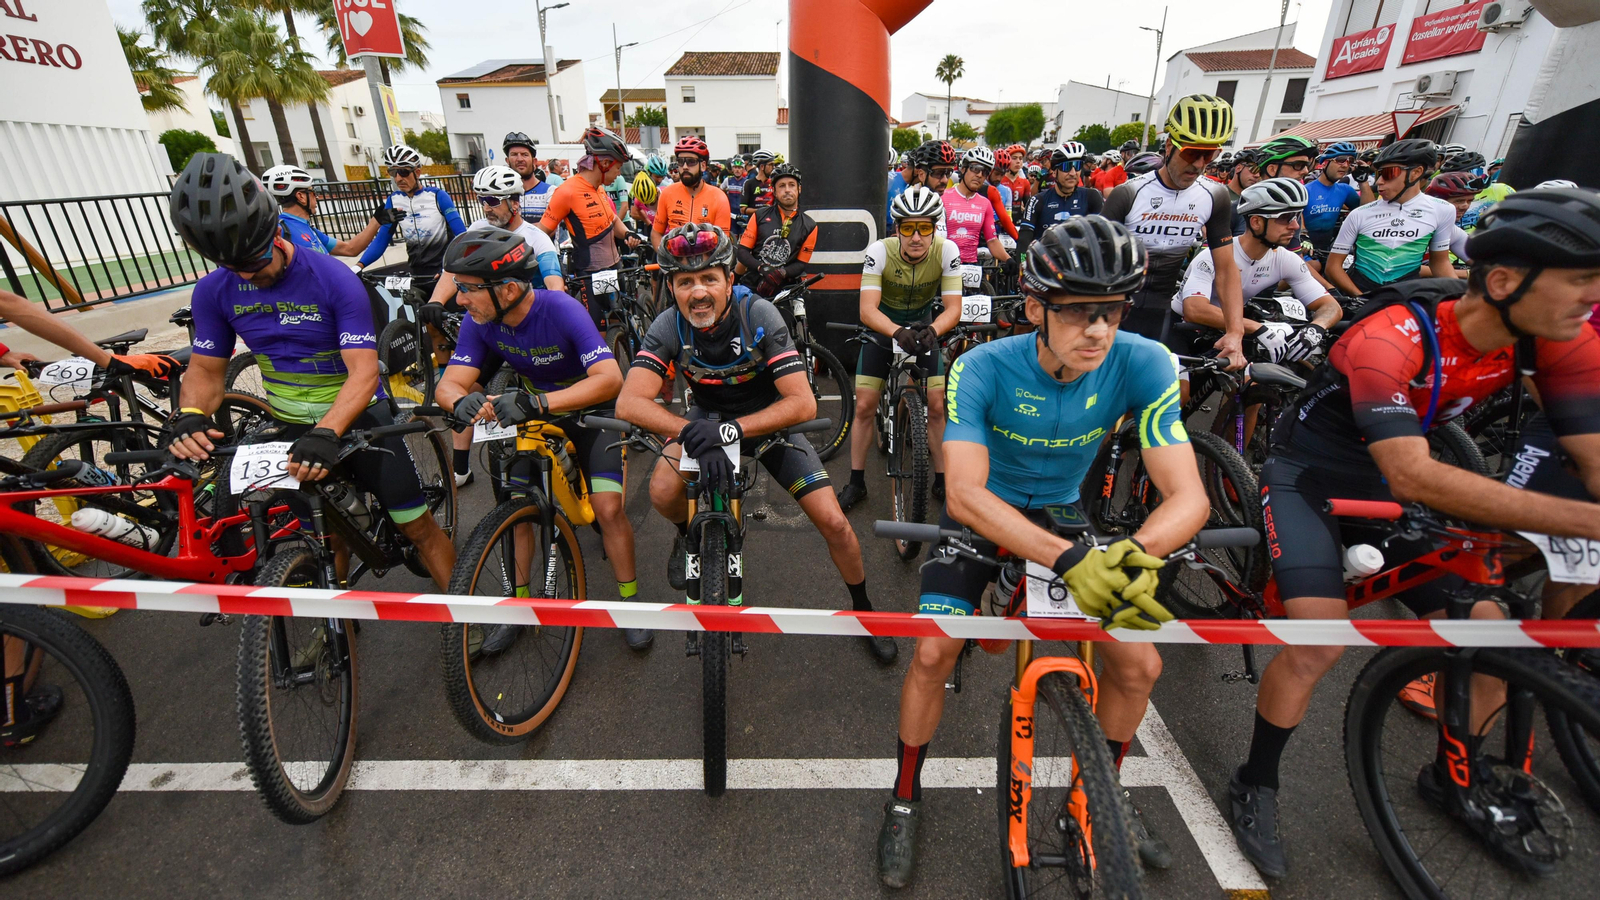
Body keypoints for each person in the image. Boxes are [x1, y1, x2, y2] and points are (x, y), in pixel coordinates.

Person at [1227, 187, 1600, 880]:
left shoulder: (1560, 339)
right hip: (1310, 474)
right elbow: (1412, 476)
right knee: (1317, 640)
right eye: (1581, 279)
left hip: (1392, 482)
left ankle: (1455, 778)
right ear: (1504, 280)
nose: (1593, 296)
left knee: (1491, 629)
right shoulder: (1393, 333)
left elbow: (1592, 459)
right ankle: (1256, 782)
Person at [875, 216, 1211, 888]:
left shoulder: (1143, 362)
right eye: (1080, 313)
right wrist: (1067, 561)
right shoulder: (981, 366)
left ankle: (1104, 795)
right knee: (935, 651)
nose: (1099, 330)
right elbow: (965, 494)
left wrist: (1134, 555)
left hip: (1061, 510)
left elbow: (1190, 499)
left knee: (1140, 665)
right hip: (986, 509)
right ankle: (905, 795)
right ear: (1035, 309)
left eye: (1112, 311)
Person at [165, 152, 456, 588]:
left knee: (417, 528)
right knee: (326, 537)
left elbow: (362, 372)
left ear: (275, 230)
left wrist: (328, 431)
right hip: (290, 425)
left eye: (258, 262)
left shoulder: (332, 278)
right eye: (236, 268)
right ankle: (331, 640)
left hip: (359, 419)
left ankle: (469, 617)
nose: (251, 276)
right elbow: (206, 370)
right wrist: (191, 415)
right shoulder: (214, 290)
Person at [615, 223, 897, 665]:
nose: (699, 292)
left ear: (730, 279)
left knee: (836, 523)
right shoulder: (669, 324)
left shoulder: (758, 314)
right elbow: (629, 402)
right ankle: (684, 534)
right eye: (685, 281)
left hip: (769, 425)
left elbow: (802, 404)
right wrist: (689, 430)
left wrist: (733, 431)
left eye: (710, 277)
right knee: (661, 491)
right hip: (704, 422)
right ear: (671, 287)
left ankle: (864, 609)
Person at [431, 227, 650, 649]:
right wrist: (458, 401)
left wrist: (542, 403)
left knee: (607, 509)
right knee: (517, 510)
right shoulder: (480, 321)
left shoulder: (560, 308)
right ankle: (518, 604)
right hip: (533, 410)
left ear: (509, 288)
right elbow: (451, 382)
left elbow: (610, 380)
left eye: (468, 289)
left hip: (590, 411)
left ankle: (630, 604)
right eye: (458, 288)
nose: (459, 300)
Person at [418, 165, 566, 487]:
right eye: (482, 199)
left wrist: (556, 308)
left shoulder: (535, 238)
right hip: (490, 327)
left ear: (515, 202)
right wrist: (435, 301)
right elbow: (451, 271)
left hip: (530, 326)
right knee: (466, 390)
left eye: (493, 200)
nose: (486, 206)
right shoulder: (476, 231)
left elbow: (555, 284)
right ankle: (460, 469)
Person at [836, 186, 961, 513]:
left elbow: (953, 308)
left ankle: (941, 477)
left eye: (924, 228)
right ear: (897, 230)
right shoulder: (879, 251)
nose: (916, 236)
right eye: (908, 228)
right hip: (883, 327)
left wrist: (933, 329)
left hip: (923, 327)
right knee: (864, 405)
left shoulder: (947, 251)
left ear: (935, 229)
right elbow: (867, 310)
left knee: (936, 404)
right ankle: (856, 481)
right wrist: (895, 331)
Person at [1103, 93, 1245, 366]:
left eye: (1210, 154)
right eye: (1192, 153)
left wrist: (1235, 332)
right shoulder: (1128, 193)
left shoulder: (1215, 196)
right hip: (1112, 309)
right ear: (1169, 146)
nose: (1200, 164)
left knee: (1172, 395)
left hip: (1159, 312)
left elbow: (1226, 269)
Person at [1170, 178, 1342, 372]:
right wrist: (1257, 327)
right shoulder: (1213, 256)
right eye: (1286, 218)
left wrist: (1316, 328)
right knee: (1181, 394)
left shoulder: (1285, 259)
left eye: (1297, 217)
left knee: (1257, 385)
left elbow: (1330, 306)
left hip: (1229, 330)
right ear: (1256, 222)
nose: (1295, 226)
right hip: (1182, 329)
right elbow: (1195, 309)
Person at [537, 127, 643, 328]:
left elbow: (613, 220)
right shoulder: (567, 191)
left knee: (620, 321)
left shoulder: (599, 188)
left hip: (614, 266)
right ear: (604, 163)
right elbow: (542, 232)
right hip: (590, 274)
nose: (619, 173)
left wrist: (628, 232)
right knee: (599, 332)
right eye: (618, 167)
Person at [1323, 139, 1456, 297]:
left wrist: (1457, 297)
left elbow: (1440, 263)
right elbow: (1332, 268)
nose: (1379, 181)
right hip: (1361, 293)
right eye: (1378, 174)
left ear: (1416, 173)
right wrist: (1360, 298)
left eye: (1388, 173)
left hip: (1405, 296)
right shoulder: (1360, 214)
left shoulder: (1443, 210)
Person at [356, 145, 468, 295]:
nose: (398, 178)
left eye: (403, 172)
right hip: (416, 274)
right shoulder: (394, 200)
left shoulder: (437, 196)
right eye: (393, 172)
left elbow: (462, 236)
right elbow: (382, 239)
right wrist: (358, 266)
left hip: (443, 272)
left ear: (418, 172)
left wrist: (448, 270)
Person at [260, 165, 384, 258]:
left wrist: (376, 221)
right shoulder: (279, 231)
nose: (317, 197)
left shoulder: (308, 229)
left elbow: (350, 249)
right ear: (301, 197)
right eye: (313, 192)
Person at [734, 163, 816, 296]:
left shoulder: (810, 225)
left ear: (799, 189)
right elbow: (743, 252)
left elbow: (801, 263)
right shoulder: (759, 215)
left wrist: (782, 273)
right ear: (774, 191)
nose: (787, 190)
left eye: (791, 185)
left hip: (786, 290)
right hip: (753, 285)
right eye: (782, 186)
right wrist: (762, 268)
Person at [1016, 142, 1103, 256]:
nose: (1072, 173)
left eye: (1077, 166)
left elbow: (1103, 237)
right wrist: (1022, 265)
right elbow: (1023, 241)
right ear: (1055, 171)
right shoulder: (1037, 201)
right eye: (1067, 167)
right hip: (1046, 267)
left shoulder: (1092, 197)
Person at [650, 136, 732, 251]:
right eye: (680, 161)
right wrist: (665, 257)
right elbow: (656, 234)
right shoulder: (667, 193)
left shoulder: (719, 197)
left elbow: (723, 242)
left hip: (708, 264)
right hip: (675, 262)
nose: (684, 167)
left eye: (691, 162)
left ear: (703, 166)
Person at [941, 148, 1012, 267]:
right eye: (975, 169)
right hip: (945, 264)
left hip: (972, 265)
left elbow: (992, 240)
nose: (979, 175)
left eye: (984, 172)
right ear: (963, 169)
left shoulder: (985, 203)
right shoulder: (943, 197)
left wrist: (1008, 259)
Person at [1303, 142, 1362, 266]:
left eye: (1350, 161)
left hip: (1328, 247)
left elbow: (1367, 210)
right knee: (1315, 267)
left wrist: (1364, 181)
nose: (1345, 165)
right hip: (1305, 244)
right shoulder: (1306, 190)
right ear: (1325, 162)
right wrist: (1303, 237)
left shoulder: (1345, 190)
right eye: (1340, 160)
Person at [503, 132, 554, 222]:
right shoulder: (502, 194)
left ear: (534, 161)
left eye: (525, 154)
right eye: (514, 154)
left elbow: (550, 229)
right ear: (507, 161)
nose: (519, 159)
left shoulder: (550, 192)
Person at [630, 155, 667, 230]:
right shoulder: (640, 189)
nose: (660, 180)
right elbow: (634, 212)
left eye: (662, 177)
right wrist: (649, 223)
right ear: (649, 173)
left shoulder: (666, 189)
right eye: (657, 176)